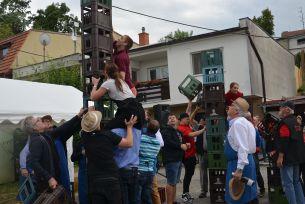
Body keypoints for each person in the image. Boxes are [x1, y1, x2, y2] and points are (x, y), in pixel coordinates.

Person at [80, 110, 137, 204]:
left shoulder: (85, 138)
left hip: (94, 181)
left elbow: (86, 130)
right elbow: (129, 143)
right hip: (111, 178)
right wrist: (129, 127)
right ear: (98, 122)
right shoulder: (107, 135)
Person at [24, 109, 84, 196]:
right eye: (38, 120)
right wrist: (49, 178)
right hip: (46, 183)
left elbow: (65, 128)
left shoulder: (44, 135)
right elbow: (33, 162)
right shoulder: (36, 140)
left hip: (55, 178)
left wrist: (80, 118)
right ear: (34, 127)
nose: (40, 120)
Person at [91, 62, 145, 131]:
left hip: (128, 111)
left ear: (106, 72)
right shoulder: (121, 81)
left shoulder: (108, 83)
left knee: (107, 130)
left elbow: (93, 97)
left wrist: (95, 84)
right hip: (139, 111)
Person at [225, 98, 257, 204]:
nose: (228, 106)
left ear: (236, 111)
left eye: (232, 104)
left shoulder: (238, 124)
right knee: (248, 196)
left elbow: (242, 147)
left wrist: (239, 169)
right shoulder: (245, 122)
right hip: (245, 161)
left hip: (239, 163)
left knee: (240, 198)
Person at [276, 101, 305, 204]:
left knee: (288, 184)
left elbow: (284, 140)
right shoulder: (297, 122)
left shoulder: (284, 123)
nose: (280, 110)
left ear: (287, 109)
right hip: (297, 157)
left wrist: (280, 156)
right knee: (296, 182)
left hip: (288, 158)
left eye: (281, 108)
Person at [177, 105, 206, 202]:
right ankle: (185, 194)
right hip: (187, 156)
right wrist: (202, 130)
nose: (188, 120)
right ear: (181, 119)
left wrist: (194, 108)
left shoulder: (186, 125)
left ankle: (186, 193)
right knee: (188, 175)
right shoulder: (181, 128)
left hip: (192, 154)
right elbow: (191, 134)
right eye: (186, 119)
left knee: (190, 174)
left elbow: (190, 115)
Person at [161, 113, 189, 204]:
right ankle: (169, 202)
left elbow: (181, 142)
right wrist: (181, 145)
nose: (172, 119)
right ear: (167, 121)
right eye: (170, 118)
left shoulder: (178, 131)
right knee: (170, 183)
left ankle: (173, 201)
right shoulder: (165, 131)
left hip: (178, 159)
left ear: (177, 120)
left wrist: (186, 145)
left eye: (173, 117)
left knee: (174, 182)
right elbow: (168, 142)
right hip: (171, 160)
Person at [41, 115, 71, 196]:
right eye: (46, 121)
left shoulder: (58, 136)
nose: (49, 123)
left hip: (62, 168)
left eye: (49, 121)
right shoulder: (42, 136)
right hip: (52, 171)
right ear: (41, 123)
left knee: (65, 188)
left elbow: (69, 129)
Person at [136, 120, 161, 204]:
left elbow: (137, 151)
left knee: (137, 197)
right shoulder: (158, 143)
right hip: (150, 171)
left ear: (147, 127)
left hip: (140, 170)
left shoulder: (141, 138)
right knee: (147, 196)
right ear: (157, 131)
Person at [143, 110, 164, 204]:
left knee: (153, 189)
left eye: (145, 114)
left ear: (148, 117)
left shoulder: (147, 130)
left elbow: (161, 143)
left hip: (149, 164)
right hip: (148, 165)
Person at [71, 138, 88, 204]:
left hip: (94, 171)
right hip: (83, 171)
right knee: (83, 193)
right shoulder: (79, 142)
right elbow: (73, 158)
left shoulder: (97, 140)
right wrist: (81, 153)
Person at [195, 118, 209, 199]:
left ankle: (216, 189)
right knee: (203, 173)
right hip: (203, 153)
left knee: (215, 172)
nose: (202, 122)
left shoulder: (214, 126)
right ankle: (203, 191)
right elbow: (191, 120)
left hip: (214, 154)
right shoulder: (199, 128)